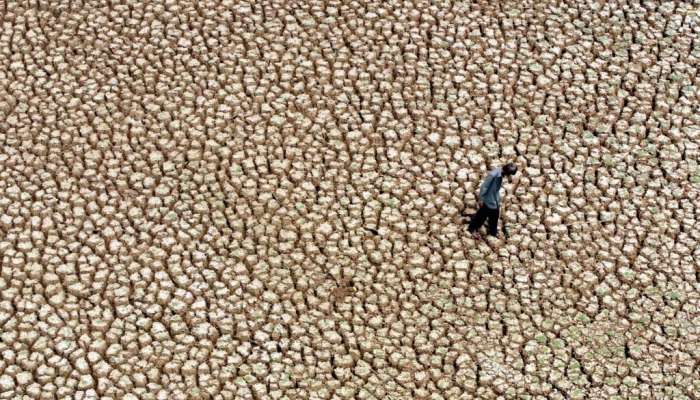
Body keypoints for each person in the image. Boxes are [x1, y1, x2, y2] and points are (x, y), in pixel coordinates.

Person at [467, 163, 518, 239]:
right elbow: (484, 187)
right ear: (507, 172)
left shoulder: (500, 173)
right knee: (483, 215)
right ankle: (472, 229)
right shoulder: (493, 175)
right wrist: (481, 199)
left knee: (493, 215)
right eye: (509, 174)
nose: (509, 176)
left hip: (494, 198)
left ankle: (492, 231)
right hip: (489, 199)